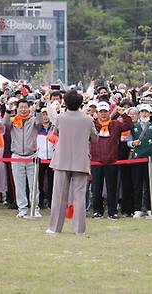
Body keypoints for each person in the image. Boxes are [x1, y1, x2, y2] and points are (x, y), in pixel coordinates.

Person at [47, 90, 98, 235]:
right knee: (80, 197)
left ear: (65, 102)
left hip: (62, 160)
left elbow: (55, 133)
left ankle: (54, 228)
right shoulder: (88, 119)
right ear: (81, 103)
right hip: (80, 161)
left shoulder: (60, 117)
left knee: (59, 197)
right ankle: (79, 229)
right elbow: (95, 138)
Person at [90, 101, 132, 219]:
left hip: (111, 161)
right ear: (97, 113)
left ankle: (112, 211)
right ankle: (97, 211)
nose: (103, 114)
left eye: (105, 112)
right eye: (101, 112)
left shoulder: (115, 124)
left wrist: (123, 114)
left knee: (112, 188)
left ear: (109, 112)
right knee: (96, 188)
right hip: (96, 161)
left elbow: (128, 126)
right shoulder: (92, 125)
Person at [3, 98, 41, 218]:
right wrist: (8, 110)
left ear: (29, 108)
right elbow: (5, 124)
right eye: (21, 107)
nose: (24, 109)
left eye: (26, 107)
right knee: (19, 185)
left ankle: (35, 208)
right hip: (17, 156)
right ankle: (22, 209)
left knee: (34, 184)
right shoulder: (13, 121)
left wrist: (38, 109)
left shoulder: (33, 120)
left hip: (32, 156)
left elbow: (39, 122)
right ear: (17, 109)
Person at [126, 104, 152, 218]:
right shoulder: (133, 127)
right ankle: (137, 208)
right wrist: (133, 143)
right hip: (138, 158)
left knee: (150, 183)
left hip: (151, 158)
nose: (144, 114)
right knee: (137, 183)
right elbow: (128, 141)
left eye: (147, 112)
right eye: (142, 112)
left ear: (150, 113)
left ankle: (149, 207)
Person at [36, 107, 55, 209]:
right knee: (39, 181)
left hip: (52, 158)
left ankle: (52, 202)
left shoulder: (54, 128)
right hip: (40, 158)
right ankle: (40, 202)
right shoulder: (37, 128)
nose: (45, 117)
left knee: (52, 182)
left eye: (47, 114)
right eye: (43, 114)